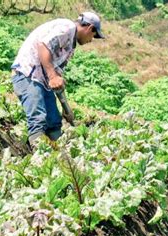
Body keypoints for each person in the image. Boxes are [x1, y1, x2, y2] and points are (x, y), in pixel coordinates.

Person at [11, 12, 104, 148]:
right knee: (38, 118)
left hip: (41, 80)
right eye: (93, 35)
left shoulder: (70, 47)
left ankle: (59, 157)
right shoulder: (67, 28)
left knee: (54, 121)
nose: (91, 40)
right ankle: (40, 158)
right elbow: (43, 46)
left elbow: (57, 82)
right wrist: (53, 76)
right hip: (27, 74)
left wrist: (66, 108)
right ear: (89, 28)